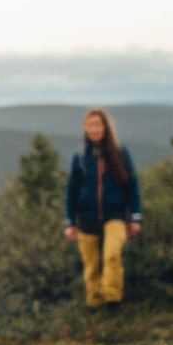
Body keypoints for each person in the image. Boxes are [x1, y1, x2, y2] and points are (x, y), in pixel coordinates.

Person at [64, 108, 142, 307]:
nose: (94, 129)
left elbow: (131, 185)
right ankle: (94, 303)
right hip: (86, 218)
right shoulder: (80, 157)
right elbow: (71, 191)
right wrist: (70, 222)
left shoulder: (120, 153)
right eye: (91, 125)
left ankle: (112, 299)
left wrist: (135, 216)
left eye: (98, 125)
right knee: (91, 266)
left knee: (112, 255)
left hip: (115, 215)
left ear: (106, 128)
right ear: (85, 128)